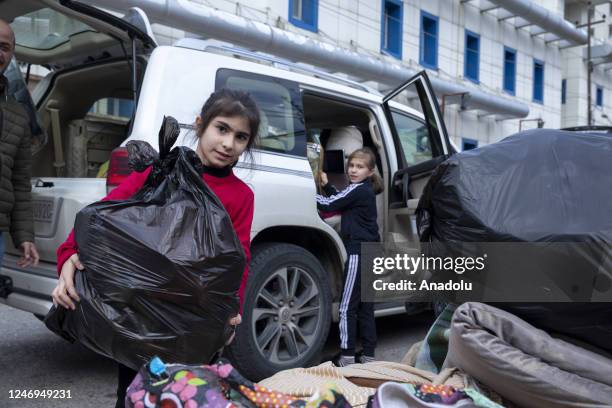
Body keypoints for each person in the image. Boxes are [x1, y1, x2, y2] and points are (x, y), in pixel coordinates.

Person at [50, 88, 259, 408]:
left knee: (185, 397)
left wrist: (234, 310)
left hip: (195, 320)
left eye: (241, 137)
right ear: (200, 124)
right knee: (134, 396)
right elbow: (100, 216)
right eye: (222, 129)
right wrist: (67, 258)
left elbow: (238, 259)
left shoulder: (241, 195)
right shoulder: (160, 171)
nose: (229, 144)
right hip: (142, 317)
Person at [316, 147, 383, 367]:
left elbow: (328, 204)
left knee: (346, 307)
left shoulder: (358, 190)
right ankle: (369, 356)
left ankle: (346, 357)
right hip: (371, 251)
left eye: (360, 167)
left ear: (370, 171)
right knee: (365, 307)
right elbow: (340, 199)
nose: (353, 170)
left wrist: (307, 189)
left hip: (359, 251)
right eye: (351, 165)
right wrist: (326, 185)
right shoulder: (362, 191)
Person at [0, 19, 39, 268]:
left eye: (4, 47)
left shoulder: (19, 114)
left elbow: (20, 181)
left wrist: (24, 235)